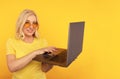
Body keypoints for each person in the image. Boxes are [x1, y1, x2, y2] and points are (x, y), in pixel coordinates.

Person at [6, 9, 57, 79]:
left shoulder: (43, 42)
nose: (31, 26)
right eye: (27, 23)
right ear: (21, 23)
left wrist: (52, 62)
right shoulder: (12, 42)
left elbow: (44, 69)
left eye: (34, 23)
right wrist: (35, 53)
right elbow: (12, 67)